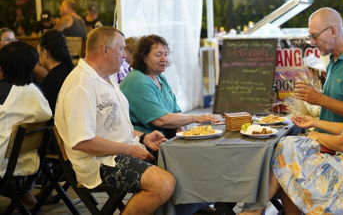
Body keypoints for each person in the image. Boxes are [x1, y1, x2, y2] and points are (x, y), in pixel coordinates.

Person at [240, 34, 343, 215]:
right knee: (286, 148)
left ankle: (253, 211)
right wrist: (314, 122)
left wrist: (317, 135)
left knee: (285, 151)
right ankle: (255, 210)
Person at [54, 27, 175, 214]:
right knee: (164, 183)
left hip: (118, 152)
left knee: (178, 162)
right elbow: (82, 141)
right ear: (105, 50)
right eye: (121, 49)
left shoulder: (107, 77)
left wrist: (143, 138)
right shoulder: (81, 85)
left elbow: (113, 125)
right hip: (99, 164)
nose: (125, 56)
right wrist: (129, 149)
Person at [120, 35, 222, 139]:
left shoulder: (160, 78)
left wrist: (180, 127)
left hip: (165, 138)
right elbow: (160, 120)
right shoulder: (137, 80)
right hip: (144, 142)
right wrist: (197, 118)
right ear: (144, 57)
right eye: (158, 54)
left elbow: (176, 111)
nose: (164, 58)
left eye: (166, 54)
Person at [0, 41, 52, 208]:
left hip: (4, 164)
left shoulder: (3, 92)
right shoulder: (37, 91)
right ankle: (24, 195)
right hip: (29, 163)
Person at [294, 7, 343, 129]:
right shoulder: (333, 60)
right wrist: (313, 96)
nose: (312, 42)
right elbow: (337, 99)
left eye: (315, 36)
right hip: (325, 139)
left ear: (333, 31)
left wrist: (320, 99)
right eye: (310, 36)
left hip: (340, 144)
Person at [38, 30, 74, 112]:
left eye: (39, 51)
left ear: (44, 52)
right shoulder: (70, 69)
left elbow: (46, 113)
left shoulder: (50, 81)